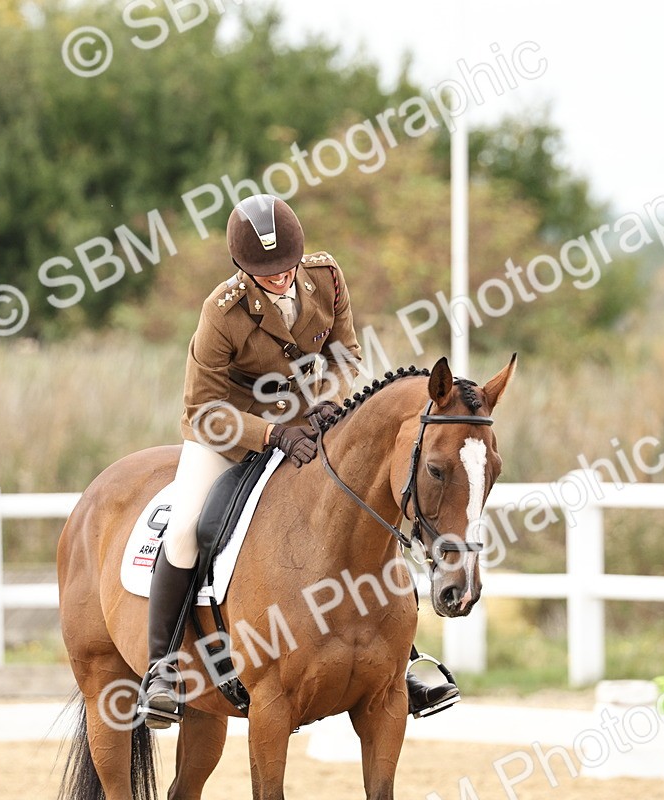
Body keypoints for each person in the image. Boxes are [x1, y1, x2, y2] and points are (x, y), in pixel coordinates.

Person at [142, 194, 460, 728]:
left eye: (287, 267)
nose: (282, 279)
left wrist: (329, 404)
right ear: (243, 271)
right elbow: (202, 408)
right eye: (267, 274)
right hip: (229, 431)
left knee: (366, 513)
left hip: (315, 422)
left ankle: (397, 662)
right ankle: (162, 669)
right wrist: (271, 432)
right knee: (184, 529)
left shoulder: (326, 277)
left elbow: (347, 353)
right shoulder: (220, 313)